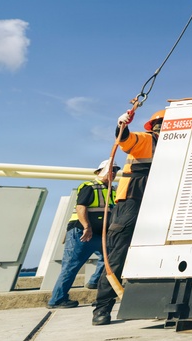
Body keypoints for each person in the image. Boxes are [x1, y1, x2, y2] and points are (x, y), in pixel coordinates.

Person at [92, 108, 163, 326]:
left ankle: (151, 304)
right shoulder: (147, 140)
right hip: (131, 203)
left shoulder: (179, 148)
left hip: (156, 204)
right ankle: (101, 309)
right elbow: (125, 139)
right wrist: (122, 123)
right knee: (117, 258)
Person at [46, 159, 116, 309]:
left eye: (115, 170)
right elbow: (81, 208)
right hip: (81, 232)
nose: (113, 173)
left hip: (98, 234)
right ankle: (57, 300)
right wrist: (86, 227)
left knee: (110, 257)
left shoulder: (112, 190)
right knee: (71, 266)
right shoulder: (89, 187)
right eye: (110, 170)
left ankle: (94, 281)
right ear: (99, 172)